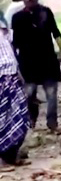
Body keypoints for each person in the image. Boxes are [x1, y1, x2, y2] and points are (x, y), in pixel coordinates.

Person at [10, 0, 61, 133]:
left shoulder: (46, 12)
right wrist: (14, 61)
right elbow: (15, 41)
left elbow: (56, 32)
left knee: (52, 93)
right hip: (28, 62)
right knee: (29, 93)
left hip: (48, 59)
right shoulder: (17, 17)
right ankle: (31, 120)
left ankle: (52, 123)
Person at [0, 35, 30, 170]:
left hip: (12, 76)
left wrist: (19, 74)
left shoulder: (3, 31)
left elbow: (10, 53)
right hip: (2, 79)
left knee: (19, 116)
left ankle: (11, 156)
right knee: (2, 120)